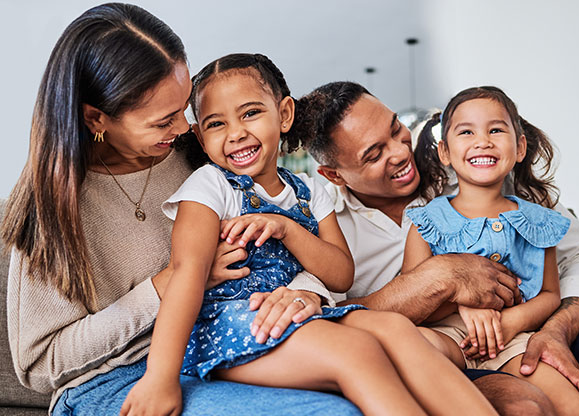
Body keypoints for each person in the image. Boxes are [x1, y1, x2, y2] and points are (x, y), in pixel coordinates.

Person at [1, 5, 363, 415]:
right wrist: (165, 286)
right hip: (109, 382)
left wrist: (306, 293)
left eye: (184, 108)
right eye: (162, 121)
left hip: (217, 343)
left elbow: (285, 238)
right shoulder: (50, 203)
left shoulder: (197, 154)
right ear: (95, 118)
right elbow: (40, 365)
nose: (183, 129)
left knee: (360, 383)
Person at [121, 52, 497, 416]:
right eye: (216, 124)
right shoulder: (210, 185)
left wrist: (286, 228)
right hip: (227, 326)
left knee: (396, 328)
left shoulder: (308, 191)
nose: (236, 134)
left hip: (300, 318)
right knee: (358, 352)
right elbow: (187, 273)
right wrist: (160, 377)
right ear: (202, 139)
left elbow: (340, 275)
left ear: (284, 115)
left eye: (250, 113)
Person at [254, 80, 579, 414]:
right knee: (523, 405)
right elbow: (331, 316)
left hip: (519, 332)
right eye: (374, 155)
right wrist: (442, 279)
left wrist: (556, 328)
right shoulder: (326, 227)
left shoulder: (475, 164)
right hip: (438, 351)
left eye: (396, 128)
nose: (401, 152)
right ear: (334, 175)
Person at [400, 86, 579, 414]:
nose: (483, 140)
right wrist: (464, 302)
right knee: (407, 345)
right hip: (447, 335)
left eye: (496, 130)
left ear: (519, 147)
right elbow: (414, 295)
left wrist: (511, 322)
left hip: (513, 339)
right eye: (466, 131)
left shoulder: (539, 221)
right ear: (445, 151)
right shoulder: (426, 220)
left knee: (572, 403)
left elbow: (548, 295)